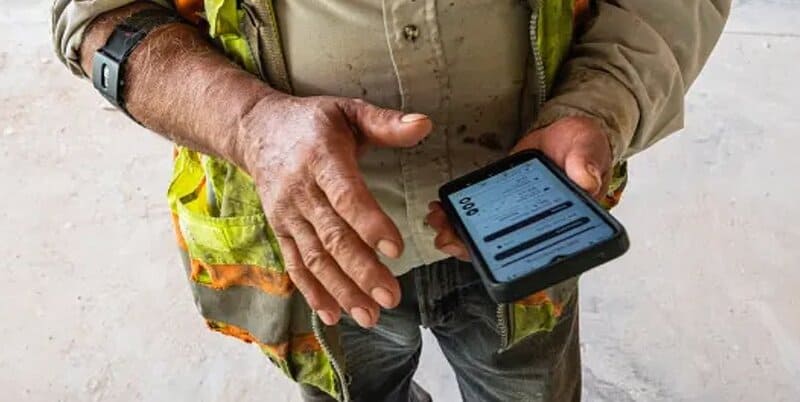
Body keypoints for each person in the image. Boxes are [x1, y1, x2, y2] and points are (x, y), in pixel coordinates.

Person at [52, 1, 730, 401]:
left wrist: (603, 99)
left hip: (523, 225)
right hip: (315, 253)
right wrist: (250, 124)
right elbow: (98, 19)